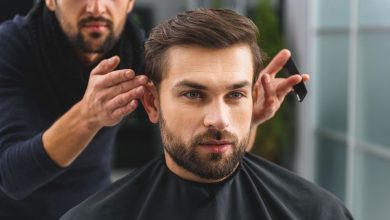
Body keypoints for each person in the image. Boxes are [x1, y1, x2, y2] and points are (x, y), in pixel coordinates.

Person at [0, 1, 305, 219]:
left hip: (92, 201)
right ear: (50, 1)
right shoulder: (12, 47)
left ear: (131, 2)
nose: (96, 7)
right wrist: (88, 115)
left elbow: (211, 155)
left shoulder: (136, 47)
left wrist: (246, 119)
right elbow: (13, 177)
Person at [61, 8, 352, 220]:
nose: (220, 119)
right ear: (151, 102)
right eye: (194, 94)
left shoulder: (319, 213)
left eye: (235, 95)